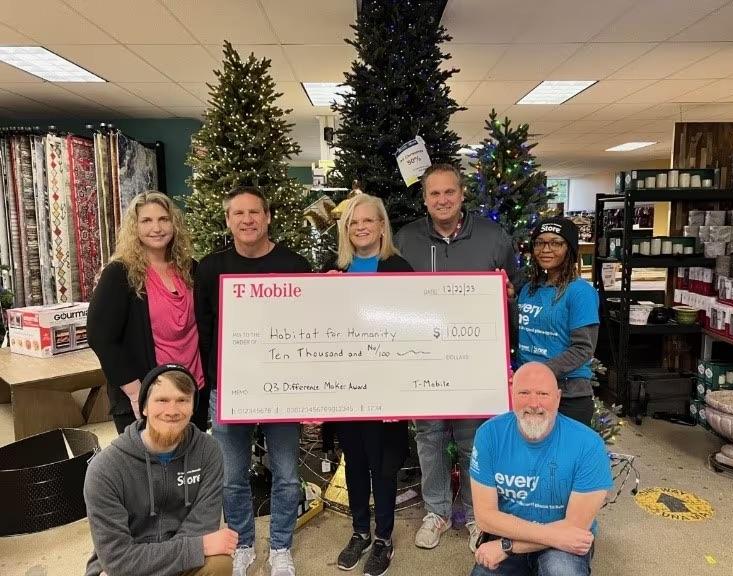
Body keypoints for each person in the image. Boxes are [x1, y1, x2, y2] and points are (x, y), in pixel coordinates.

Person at [394, 163, 518, 551]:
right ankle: (437, 511)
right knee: (429, 437)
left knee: (472, 441)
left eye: (449, 192)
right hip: (423, 359)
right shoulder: (405, 239)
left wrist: (509, 293)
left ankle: (476, 515)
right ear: (425, 198)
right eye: (434, 194)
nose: (442, 200)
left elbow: (513, 290)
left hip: (473, 363)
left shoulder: (493, 237)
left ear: (462, 194)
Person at [195, 186, 311, 576]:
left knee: (287, 473)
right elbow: (206, 332)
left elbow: (308, 328)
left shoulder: (295, 265)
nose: (247, 220)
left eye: (254, 212)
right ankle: (242, 544)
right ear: (228, 220)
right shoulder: (211, 268)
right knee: (231, 476)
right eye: (239, 213)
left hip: (282, 389)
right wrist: (217, 384)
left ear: (268, 216)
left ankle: (281, 547)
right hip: (230, 390)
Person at [322, 194, 412, 576]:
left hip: (387, 383)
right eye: (353, 222)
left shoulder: (398, 268)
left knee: (384, 465)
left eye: (368, 221)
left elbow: (412, 325)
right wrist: (320, 292)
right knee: (354, 461)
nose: (360, 227)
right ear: (346, 229)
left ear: (381, 225)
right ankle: (360, 531)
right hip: (345, 383)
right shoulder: (333, 268)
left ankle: (384, 538)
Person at [83, 364, 236, 576]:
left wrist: (184, 553)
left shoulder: (208, 451)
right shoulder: (105, 470)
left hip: (169, 561)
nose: (172, 411)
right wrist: (200, 547)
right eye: (162, 400)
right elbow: (118, 560)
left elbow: (201, 525)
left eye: (182, 400)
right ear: (144, 407)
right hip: (127, 564)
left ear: (193, 408)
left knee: (220, 563)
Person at [469, 362, 612, 576]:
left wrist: (507, 546)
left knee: (562, 572)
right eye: (524, 393)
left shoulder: (588, 444)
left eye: (543, 394)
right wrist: (550, 536)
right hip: (530, 535)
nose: (534, 403)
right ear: (512, 394)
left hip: (556, 545)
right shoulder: (489, 435)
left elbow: (575, 528)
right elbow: (485, 517)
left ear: (558, 397)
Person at [87, 191, 208, 434]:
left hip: (192, 389)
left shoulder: (190, 269)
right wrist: (135, 392)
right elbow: (100, 336)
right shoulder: (120, 274)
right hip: (145, 393)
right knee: (149, 470)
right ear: (135, 227)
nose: (157, 228)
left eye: (163, 219)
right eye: (147, 221)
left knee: (189, 467)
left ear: (174, 223)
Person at [516, 217, 599, 426]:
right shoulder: (529, 289)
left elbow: (582, 349)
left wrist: (539, 373)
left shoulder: (580, 292)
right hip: (529, 394)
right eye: (540, 242)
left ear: (569, 249)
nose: (546, 249)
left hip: (568, 396)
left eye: (555, 243)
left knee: (563, 459)